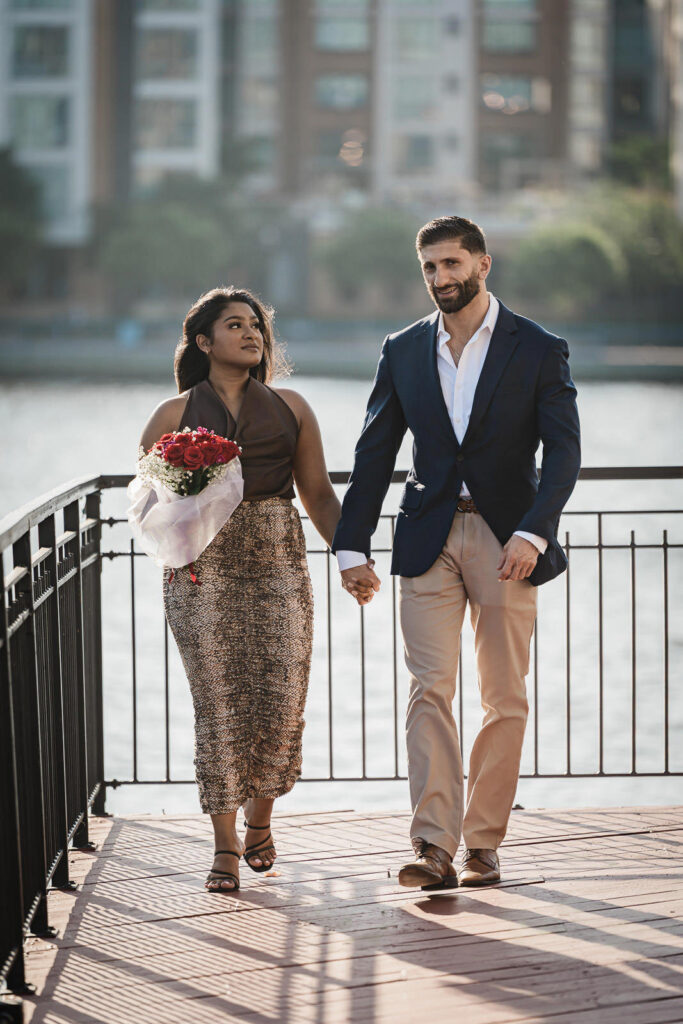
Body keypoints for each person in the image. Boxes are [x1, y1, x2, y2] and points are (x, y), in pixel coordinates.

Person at [333, 216, 581, 889]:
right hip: (427, 537)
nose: (440, 277)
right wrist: (351, 545)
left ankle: (483, 844)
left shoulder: (538, 347)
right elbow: (374, 452)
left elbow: (564, 452)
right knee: (428, 688)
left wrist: (534, 532)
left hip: (508, 540)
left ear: (482, 264)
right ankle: (433, 845)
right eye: (429, 267)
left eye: (451, 263)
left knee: (504, 696)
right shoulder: (403, 348)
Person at [139, 286, 347, 892]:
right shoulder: (171, 415)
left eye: (256, 324)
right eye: (235, 325)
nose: (252, 332)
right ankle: (224, 845)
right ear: (204, 341)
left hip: (280, 566)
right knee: (219, 707)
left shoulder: (292, 407)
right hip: (202, 576)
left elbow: (319, 496)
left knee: (280, 701)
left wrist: (351, 559)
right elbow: (148, 508)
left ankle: (261, 823)